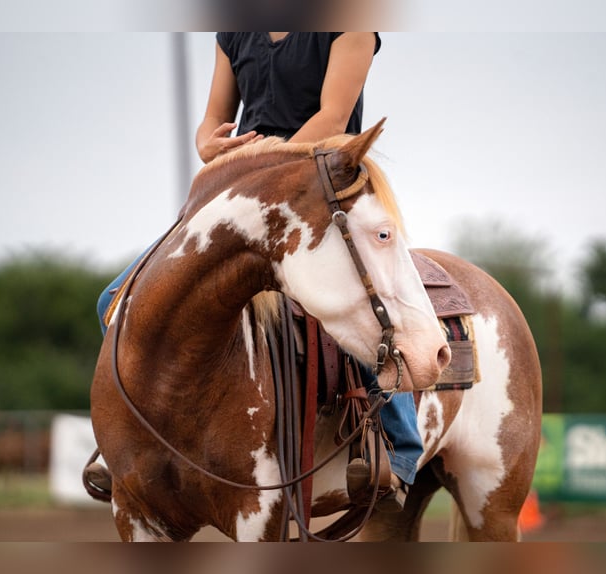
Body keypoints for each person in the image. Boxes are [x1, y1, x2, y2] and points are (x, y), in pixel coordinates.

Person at [90, 32, 421, 512]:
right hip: (236, 194)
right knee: (115, 298)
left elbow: (332, 118)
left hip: (318, 187)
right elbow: (211, 120)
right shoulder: (235, 30)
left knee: (368, 297)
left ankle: (400, 446)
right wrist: (210, 146)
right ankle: (121, 435)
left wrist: (261, 170)